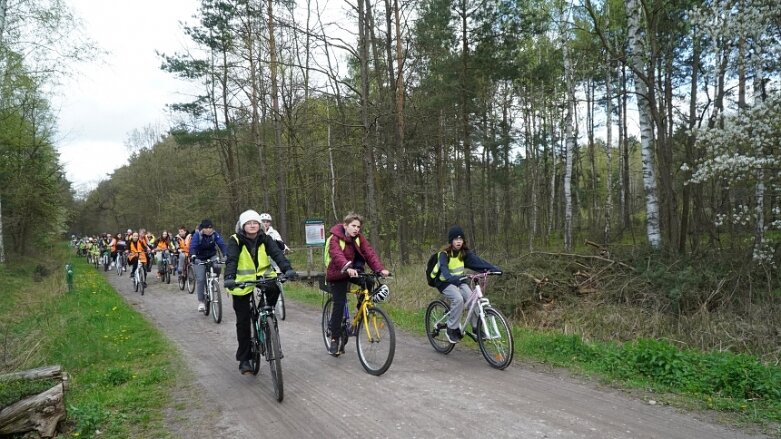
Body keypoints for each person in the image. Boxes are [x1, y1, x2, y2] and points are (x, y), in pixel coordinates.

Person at [223, 210, 297, 375]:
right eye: (248, 223)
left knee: (274, 287)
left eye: (255, 222)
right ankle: (245, 358)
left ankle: (266, 315)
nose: (252, 225)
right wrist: (229, 277)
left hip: (264, 277)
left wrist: (288, 269)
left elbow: (277, 254)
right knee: (243, 320)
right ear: (242, 225)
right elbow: (232, 259)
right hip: (241, 281)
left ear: (260, 225)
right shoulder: (235, 240)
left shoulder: (265, 239)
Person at [324, 212, 390, 356]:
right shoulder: (335, 239)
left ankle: (362, 308)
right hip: (338, 273)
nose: (356, 229)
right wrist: (347, 267)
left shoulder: (359, 238)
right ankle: (335, 339)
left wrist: (379, 269)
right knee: (339, 304)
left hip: (354, 271)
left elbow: (369, 254)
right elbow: (336, 255)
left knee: (369, 281)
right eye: (353, 226)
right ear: (345, 225)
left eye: (358, 227)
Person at [432, 225, 501, 343]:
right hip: (443, 282)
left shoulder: (464, 253)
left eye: (460, 239)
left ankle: (476, 328)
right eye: (455, 239)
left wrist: (492, 269)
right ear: (451, 241)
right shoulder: (444, 254)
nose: (458, 241)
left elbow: (478, 262)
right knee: (458, 299)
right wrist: (451, 278)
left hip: (459, 280)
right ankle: (451, 329)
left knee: (472, 299)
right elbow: (444, 269)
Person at [189, 219, 228, 312]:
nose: (209, 230)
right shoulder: (197, 235)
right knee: (201, 279)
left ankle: (215, 279)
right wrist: (193, 255)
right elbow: (193, 246)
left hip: (211, 256)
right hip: (199, 258)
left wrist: (226, 255)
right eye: (207, 228)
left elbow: (222, 244)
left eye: (210, 227)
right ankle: (201, 302)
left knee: (218, 265)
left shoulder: (215, 234)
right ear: (202, 228)